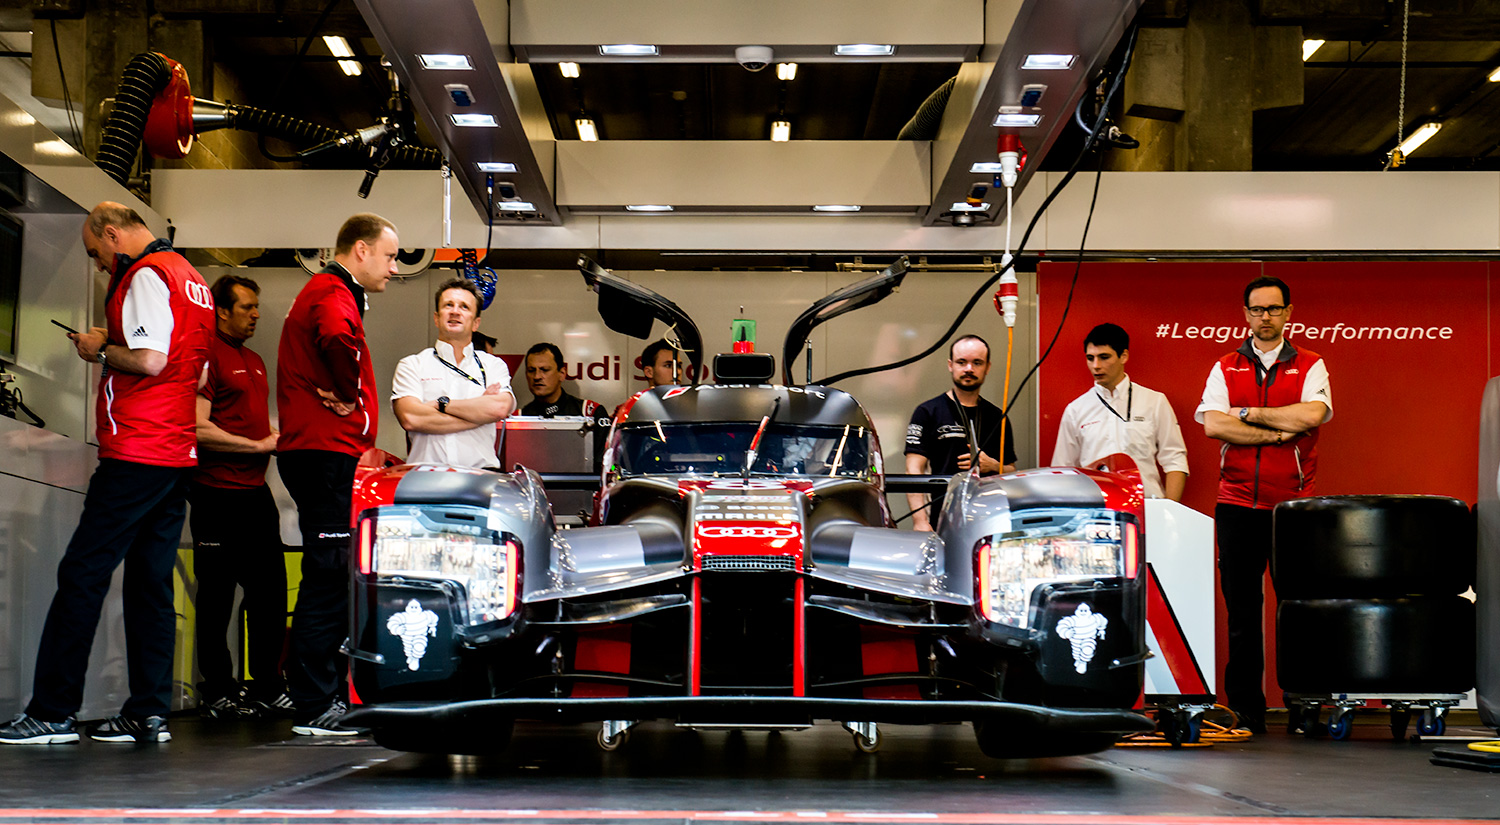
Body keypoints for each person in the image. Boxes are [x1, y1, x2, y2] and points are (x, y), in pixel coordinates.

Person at [0, 202, 214, 744]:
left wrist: (100, 349)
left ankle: (52, 711)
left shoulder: (145, 273)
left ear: (113, 234)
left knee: (82, 573)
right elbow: (195, 371)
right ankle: (148, 711)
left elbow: (150, 360)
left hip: (137, 449)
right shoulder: (193, 281)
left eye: (96, 253)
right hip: (176, 452)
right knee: (150, 583)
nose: (98, 264)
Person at [277, 213, 398, 736]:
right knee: (328, 575)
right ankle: (313, 704)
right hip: (322, 452)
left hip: (325, 452)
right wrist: (348, 392)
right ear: (361, 250)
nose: (395, 267)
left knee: (331, 572)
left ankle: (320, 696)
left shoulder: (334, 291)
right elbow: (334, 336)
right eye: (390, 256)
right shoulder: (331, 291)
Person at [1196, 275, 1332, 734]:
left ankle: (1304, 706)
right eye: (1257, 309)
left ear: (1288, 312)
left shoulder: (1311, 364)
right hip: (1236, 505)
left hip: (1294, 509)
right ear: (1245, 314)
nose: (1265, 317)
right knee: (1242, 614)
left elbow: (1312, 414)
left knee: (1299, 610)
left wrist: (1248, 413)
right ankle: (1246, 709)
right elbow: (1214, 425)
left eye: (1274, 309)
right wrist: (1276, 433)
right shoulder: (1225, 366)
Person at [190, 274, 291, 719]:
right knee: (217, 597)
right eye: (247, 307)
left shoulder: (254, 360)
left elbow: (246, 420)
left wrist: (274, 436)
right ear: (221, 311)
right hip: (215, 494)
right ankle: (217, 691)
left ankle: (266, 686)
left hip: (254, 494)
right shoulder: (206, 356)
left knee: (270, 594)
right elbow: (196, 427)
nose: (255, 315)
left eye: (256, 306)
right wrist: (256, 446)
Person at [1051, 323, 1189, 501]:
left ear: (1124, 356)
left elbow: (1175, 459)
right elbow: (1063, 471)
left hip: (1147, 505)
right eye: (1090, 358)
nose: (1096, 366)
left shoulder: (1154, 402)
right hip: (1096, 507)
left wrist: (1169, 509)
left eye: (1104, 357)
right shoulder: (1076, 410)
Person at [392, 278, 515, 469]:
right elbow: (411, 418)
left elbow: (499, 408)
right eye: (448, 305)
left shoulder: (493, 365)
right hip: (426, 476)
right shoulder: (412, 365)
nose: (455, 311)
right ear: (436, 318)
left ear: (476, 323)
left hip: (481, 476)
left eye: (464, 307)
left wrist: (441, 404)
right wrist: (479, 416)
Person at [904, 334, 1018, 532]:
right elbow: (913, 469)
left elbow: (1012, 472)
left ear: (987, 367)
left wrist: (992, 465)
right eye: (961, 362)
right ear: (950, 365)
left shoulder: (998, 417)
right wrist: (919, 520)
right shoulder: (927, 412)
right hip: (941, 521)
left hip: (990, 522)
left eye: (977, 363)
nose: (969, 369)